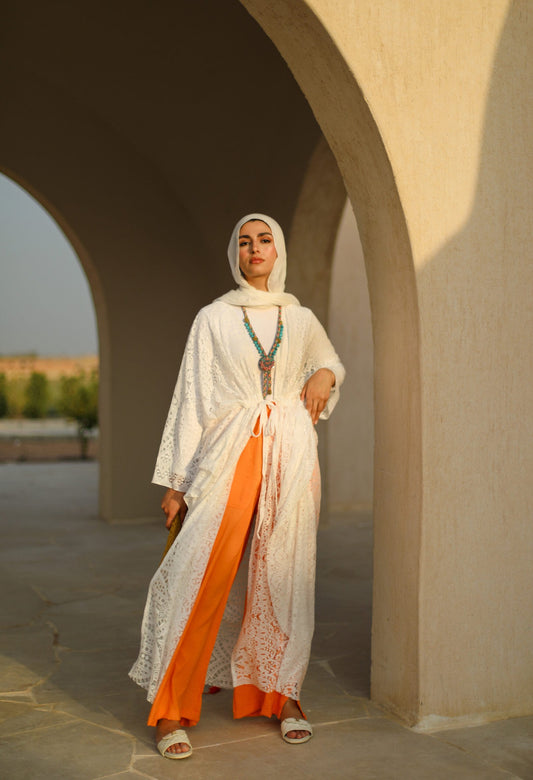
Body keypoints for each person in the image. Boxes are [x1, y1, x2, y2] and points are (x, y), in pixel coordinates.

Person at [129, 213, 345, 759]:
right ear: (236, 253)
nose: (256, 249)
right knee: (201, 573)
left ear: (278, 250)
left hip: (292, 458)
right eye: (246, 241)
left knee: (285, 577)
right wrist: (178, 481)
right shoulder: (212, 318)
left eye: (265, 239)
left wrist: (325, 375)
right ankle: (170, 707)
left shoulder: (301, 318)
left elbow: (328, 361)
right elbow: (191, 399)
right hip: (230, 454)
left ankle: (283, 697)